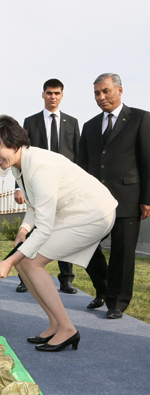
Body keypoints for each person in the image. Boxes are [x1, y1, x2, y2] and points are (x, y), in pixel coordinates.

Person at [0, 115, 117, 352]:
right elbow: (34, 206)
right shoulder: (20, 166)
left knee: (31, 262)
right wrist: (23, 231)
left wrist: (8, 261)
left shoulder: (39, 166)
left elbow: (44, 227)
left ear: (13, 142)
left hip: (92, 214)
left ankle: (67, 329)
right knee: (24, 263)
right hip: (73, 213)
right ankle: (55, 323)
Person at [77, 73, 150, 319]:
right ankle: (105, 288)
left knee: (123, 251)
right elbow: (82, 166)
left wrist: (147, 197)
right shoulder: (89, 126)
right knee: (84, 244)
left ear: (119, 90)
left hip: (128, 197)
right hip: (95, 201)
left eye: (106, 91)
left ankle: (117, 302)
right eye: (97, 93)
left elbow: (147, 161)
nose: (101, 97)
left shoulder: (141, 118)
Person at [13, 79, 80, 295]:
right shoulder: (30, 122)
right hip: (36, 184)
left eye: (57, 93)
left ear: (62, 95)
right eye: (49, 93)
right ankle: (25, 276)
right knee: (33, 227)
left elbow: (77, 156)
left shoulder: (72, 122)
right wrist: (18, 186)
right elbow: (20, 155)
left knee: (65, 229)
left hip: (65, 185)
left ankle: (66, 279)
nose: (53, 96)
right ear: (43, 95)